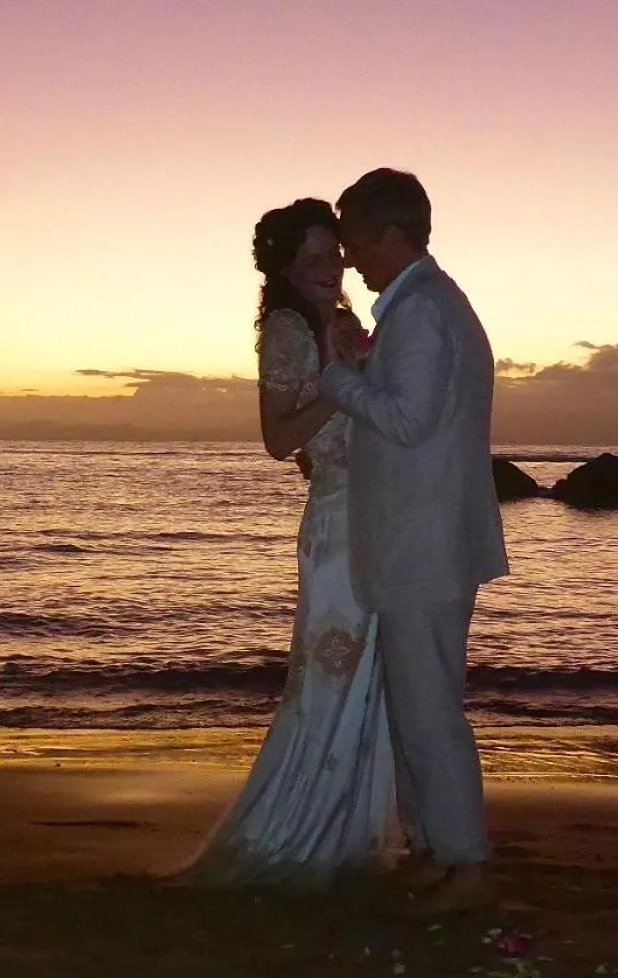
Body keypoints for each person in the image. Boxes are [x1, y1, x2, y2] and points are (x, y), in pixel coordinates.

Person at [180, 198, 395, 888]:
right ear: (283, 268)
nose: (328, 267)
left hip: (364, 505)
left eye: (331, 254)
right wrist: (341, 390)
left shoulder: (334, 320)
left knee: (365, 672)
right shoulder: (285, 327)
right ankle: (300, 828)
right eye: (310, 259)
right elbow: (278, 439)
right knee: (330, 669)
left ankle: (340, 827)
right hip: (336, 520)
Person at [318, 168, 509, 915]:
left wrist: (337, 377)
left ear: (392, 235)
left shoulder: (425, 310)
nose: (352, 259)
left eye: (357, 241)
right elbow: (413, 404)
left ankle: (463, 862)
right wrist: (366, 358)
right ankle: (436, 848)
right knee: (418, 705)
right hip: (422, 539)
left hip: (422, 543)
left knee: (429, 710)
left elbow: (406, 420)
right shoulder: (424, 307)